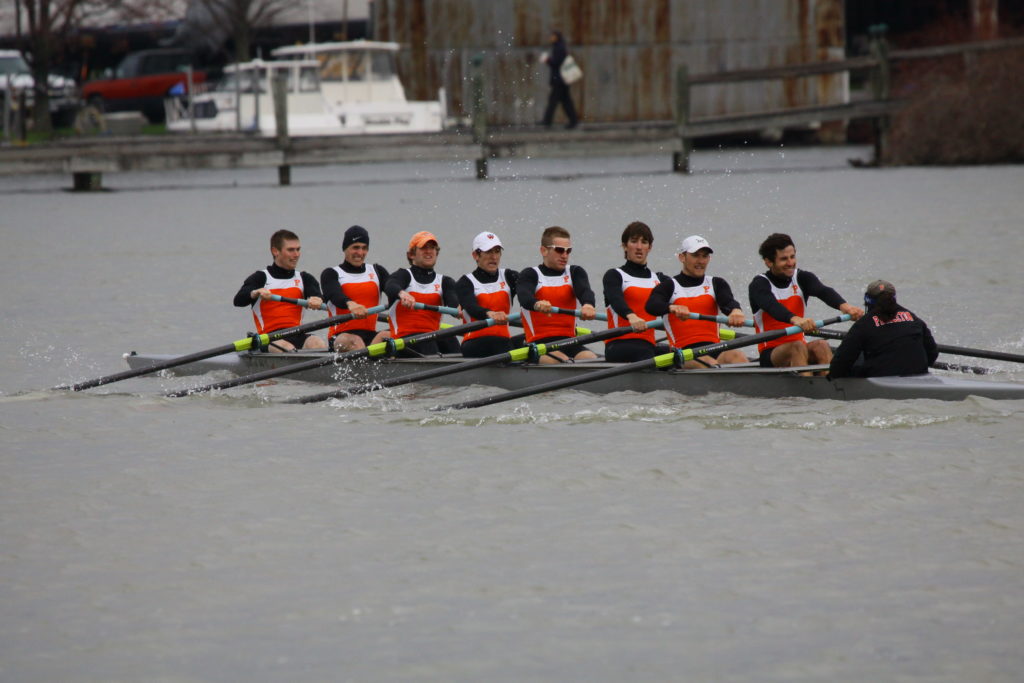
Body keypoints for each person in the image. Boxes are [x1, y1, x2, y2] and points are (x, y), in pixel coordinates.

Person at [748, 232, 863, 370]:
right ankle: (806, 388)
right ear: (768, 262)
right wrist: (795, 319)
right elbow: (772, 306)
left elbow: (823, 291)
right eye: (784, 259)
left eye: (792, 257)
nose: (790, 263)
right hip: (771, 353)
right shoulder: (759, 284)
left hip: (799, 347)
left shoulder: (802, 277)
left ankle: (831, 385)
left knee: (821, 345)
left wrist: (846, 307)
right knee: (797, 347)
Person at [645, 235, 749, 368]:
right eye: (695, 255)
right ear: (682, 257)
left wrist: (736, 310)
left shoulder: (716, 283)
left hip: (715, 350)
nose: (701, 261)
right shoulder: (669, 286)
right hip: (683, 354)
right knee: (709, 363)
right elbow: (651, 305)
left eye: (705, 256)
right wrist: (671, 307)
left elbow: (728, 302)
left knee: (736, 355)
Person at [233, 229, 327, 352]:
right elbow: (238, 301)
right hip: (268, 338)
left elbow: (317, 295)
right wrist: (255, 293)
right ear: (275, 251)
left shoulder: (304, 278)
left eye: (298, 249)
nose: (296, 254)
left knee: (317, 343)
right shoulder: (260, 277)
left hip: (297, 333)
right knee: (287, 348)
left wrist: (317, 299)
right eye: (291, 250)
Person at [517, 226, 597, 364]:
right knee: (561, 360)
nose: (564, 255)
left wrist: (588, 305)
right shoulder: (530, 274)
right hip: (539, 344)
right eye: (559, 250)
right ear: (544, 250)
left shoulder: (575, 272)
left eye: (568, 251)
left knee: (590, 359)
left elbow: (585, 291)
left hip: (570, 341)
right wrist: (537, 304)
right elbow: (524, 297)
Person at [829, 280, 938, 378]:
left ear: (867, 301)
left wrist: (831, 378)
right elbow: (933, 353)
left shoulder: (863, 324)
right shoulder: (913, 318)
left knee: (857, 356)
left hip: (880, 378)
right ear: (894, 298)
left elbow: (839, 364)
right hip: (919, 375)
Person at [601, 221, 670, 362]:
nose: (639, 247)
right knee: (649, 355)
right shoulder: (614, 275)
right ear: (625, 246)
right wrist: (631, 316)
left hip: (648, 345)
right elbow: (616, 301)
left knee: (681, 354)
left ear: (649, 247)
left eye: (644, 242)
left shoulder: (660, 279)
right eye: (634, 241)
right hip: (618, 345)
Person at [383, 231, 460, 356]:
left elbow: (453, 301)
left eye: (432, 248)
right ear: (411, 254)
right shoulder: (404, 275)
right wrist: (402, 294)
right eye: (424, 247)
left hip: (431, 336)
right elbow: (390, 285)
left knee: (449, 338)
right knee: (427, 341)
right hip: (404, 341)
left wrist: (458, 308)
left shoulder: (445, 281)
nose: (429, 251)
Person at [320, 225, 390, 352]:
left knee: (392, 335)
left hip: (371, 337)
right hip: (341, 338)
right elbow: (335, 295)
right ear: (345, 249)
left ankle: (373, 360)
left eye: (364, 248)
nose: (360, 253)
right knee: (355, 341)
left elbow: (393, 289)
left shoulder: (377, 271)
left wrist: (403, 294)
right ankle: (372, 363)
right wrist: (351, 304)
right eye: (355, 247)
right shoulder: (331, 273)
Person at [456, 231, 519, 358]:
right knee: (498, 343)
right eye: (488, 252)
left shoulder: (509, 276)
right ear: (475, 255)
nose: (494, 257)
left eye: (497, 251)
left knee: (529, 341)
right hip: (474, 343)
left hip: (503, 341)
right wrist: (490, 314)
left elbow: (528, 290)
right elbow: (471, 307)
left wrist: (538, 302)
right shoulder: (465, 282)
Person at [539, 30, 579, 129]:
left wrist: (547, 60)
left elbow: (556, 63)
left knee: (554, 101)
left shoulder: (559, 48)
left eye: (552, 36)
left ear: (556, 37)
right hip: (562, 80)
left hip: (559, 80)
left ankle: (547, 121)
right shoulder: (560, 47)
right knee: (566, 101)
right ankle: (573, 121)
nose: (550, 37)